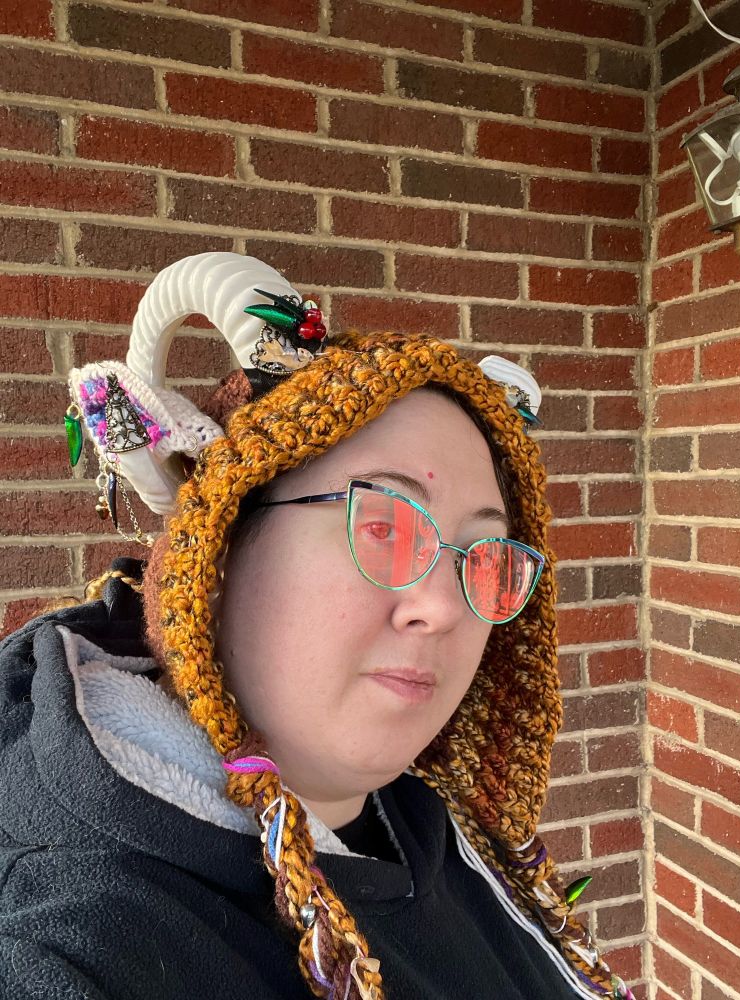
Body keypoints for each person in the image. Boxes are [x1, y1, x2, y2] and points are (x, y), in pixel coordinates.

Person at [0, 253, 634, 1000]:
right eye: (384, 525)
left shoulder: (444, 823)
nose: (444, 607)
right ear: (221, 547)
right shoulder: (79, 948)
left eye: (482, 553)